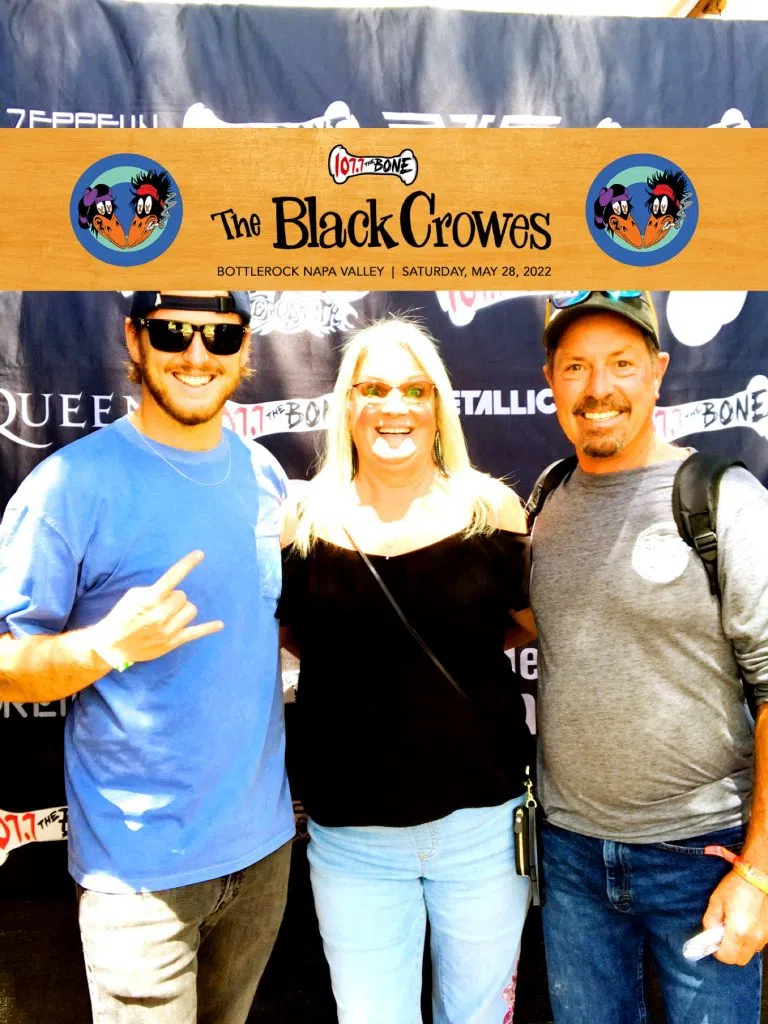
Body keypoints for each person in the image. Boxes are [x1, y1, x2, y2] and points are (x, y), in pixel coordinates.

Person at [0, 291, 294, 1023]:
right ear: (135, 339)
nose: (196, 356)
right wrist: (107, 645)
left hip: (263, 853)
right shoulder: (71, 486)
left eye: (219, 338)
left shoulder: (265, 475)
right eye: (172, 333)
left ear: (245, 348)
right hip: (137, 878)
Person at [278, 317, 535, 1024]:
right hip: (353, 841)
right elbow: (292, 637)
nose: (395, 406)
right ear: (347, 405)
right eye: (374, 389)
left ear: (438, 404)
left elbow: (526, 624)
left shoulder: (491, 510)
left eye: (414, 390)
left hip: (483, 831)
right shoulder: (301, 521)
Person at [530, 290, 768, 1024]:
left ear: (659, 371)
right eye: (577, 366)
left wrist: (759, 873)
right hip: (570, 856)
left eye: (622, 364)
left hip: (704, 857)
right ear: (551, 381)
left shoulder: (722, 500)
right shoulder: (546, 499)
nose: (598, 388)